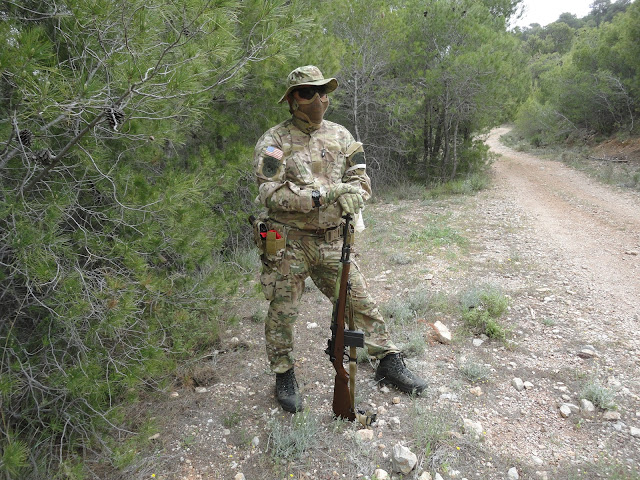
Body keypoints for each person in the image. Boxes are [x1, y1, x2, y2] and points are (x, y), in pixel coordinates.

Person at [252, 65, 427, 413]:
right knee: (283, 311)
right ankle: (284, 372)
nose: (317, 99)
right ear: (291, 101)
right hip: (289, 241)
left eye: (322, 91)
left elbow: (360, 181)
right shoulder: (274, 142)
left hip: (334, 240)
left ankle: (387, 360)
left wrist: (354, 195)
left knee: (359, 301)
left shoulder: (343, 136)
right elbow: (268, 191)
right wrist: (324, 195)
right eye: (307, 92)